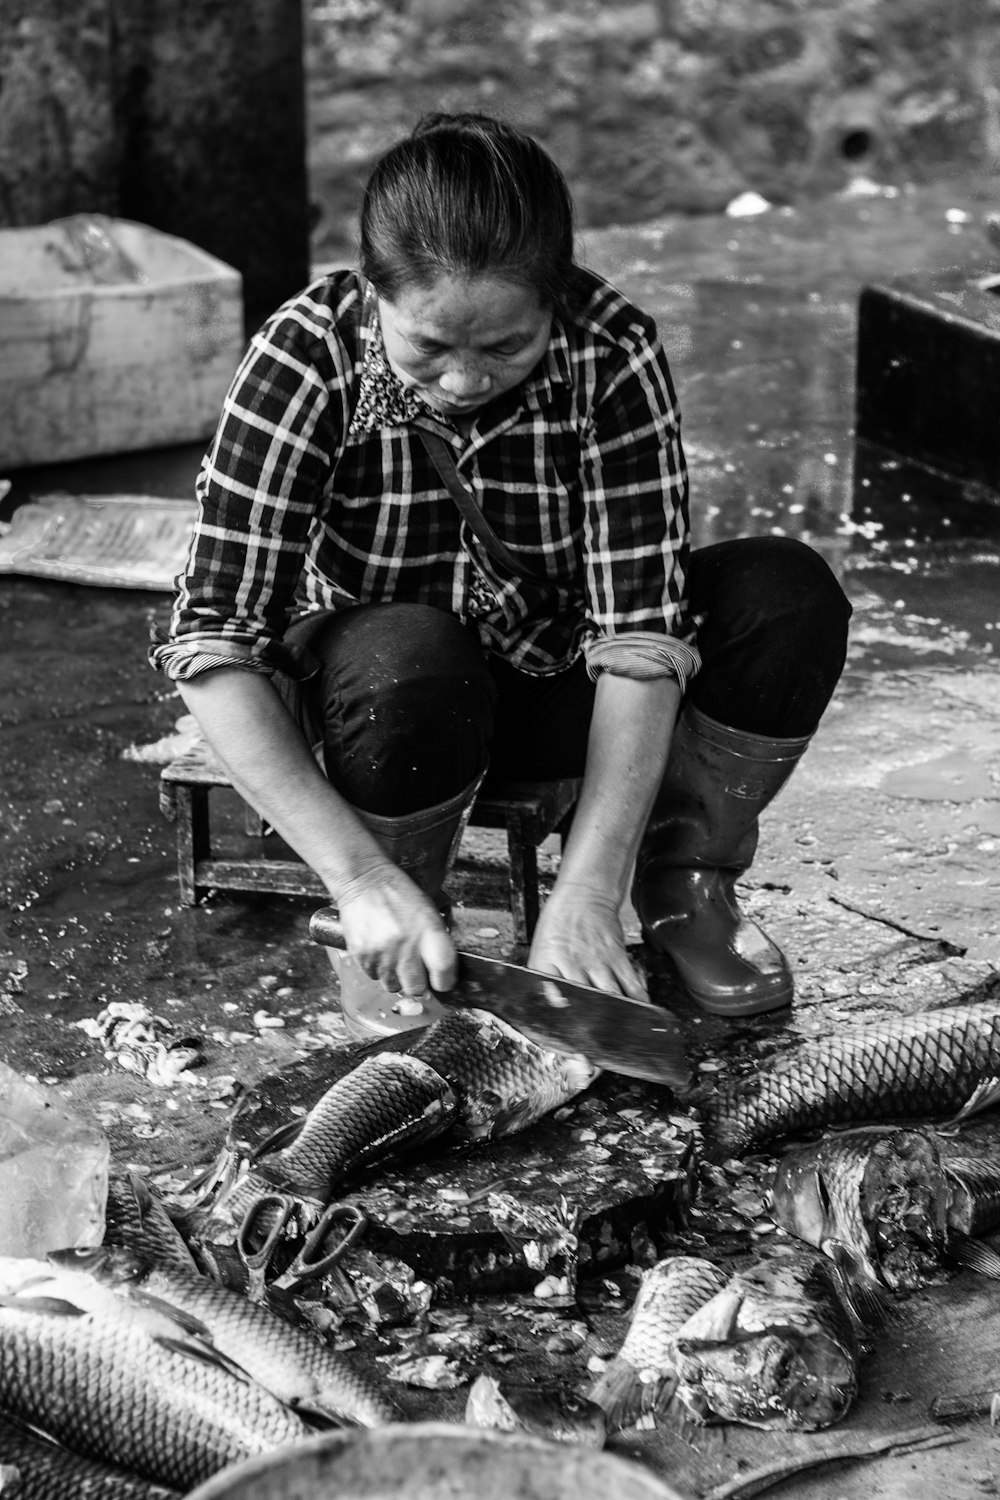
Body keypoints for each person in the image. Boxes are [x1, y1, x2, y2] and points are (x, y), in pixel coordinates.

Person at [150, 112, 851, 1040]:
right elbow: (212, 641)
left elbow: (639, 636)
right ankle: (401, 917)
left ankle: (682, 884)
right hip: (384, 714)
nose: (465, 381)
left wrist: (587, 894)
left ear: (555, 300)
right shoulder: (305, 355)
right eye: (428, 348)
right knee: (413, 655)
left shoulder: (610, 349)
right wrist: (359, 879)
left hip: (557, 683)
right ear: (373, 294)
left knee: (785, 593)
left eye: (505, 348)